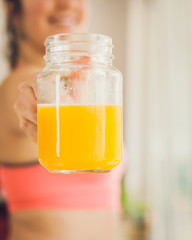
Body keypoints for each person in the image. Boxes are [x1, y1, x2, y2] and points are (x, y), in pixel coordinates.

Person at [0, 0, 126, 240]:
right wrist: (38, 102)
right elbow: (24, 94)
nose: (67, 3)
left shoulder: (92, 82)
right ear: (12, 8)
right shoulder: (14, 86)